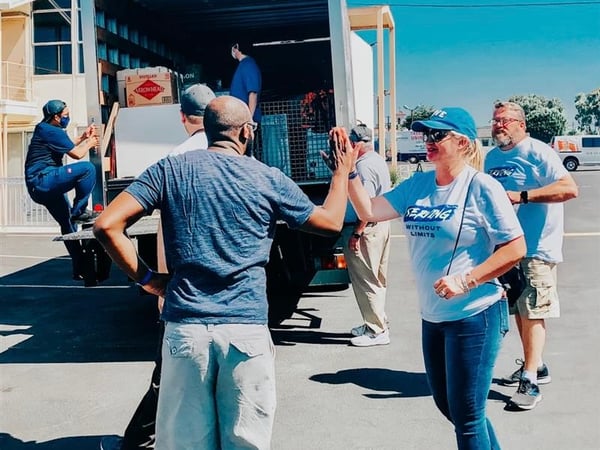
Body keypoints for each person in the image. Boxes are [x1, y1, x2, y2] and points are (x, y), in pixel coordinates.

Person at [93, 95, 355, 449]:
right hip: (244, 328)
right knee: (244, 442)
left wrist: (150, 280)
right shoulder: (267, 178)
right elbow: (330, 222)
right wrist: (341, 175)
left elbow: (107, 225)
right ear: (246, 131)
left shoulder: (170, 170)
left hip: (185, 328)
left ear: (206, 129)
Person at [347, 107, 526, 449]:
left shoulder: (481, 186)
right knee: (451, 408)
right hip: (433, 315)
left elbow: (515, 247)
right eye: (425, 135)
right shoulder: (417, 185)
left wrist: (466, 280)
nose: (428, 141)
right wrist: (348, 172)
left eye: (437, 135)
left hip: (475, 313)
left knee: (468, 418)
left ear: (462, 142)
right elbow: (369, 211)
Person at [99, 83, 216, 450]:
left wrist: (156, 283)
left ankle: (139, 441)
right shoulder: (237, 156)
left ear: (183, 118)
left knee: (170, 371)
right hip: (233, 293)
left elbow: (158, 230)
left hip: (186, 287)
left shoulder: (175, 160)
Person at [484, 101, 578, 410]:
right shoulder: (492, 157)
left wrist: (523, 196)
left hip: (537, 248)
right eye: (496, 120)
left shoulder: (539, 152)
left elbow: (569, 188)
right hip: (508, 249)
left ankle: (530, 381)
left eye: (505, 121)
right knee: (521, 312)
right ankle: (535, 364)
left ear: (521, 124)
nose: (499, 125)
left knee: (534, 310)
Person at [24, 99, 99, 280]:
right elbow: (76, 153)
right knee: (88, 168)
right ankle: (79, 210)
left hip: (39, 187)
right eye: (66, 115)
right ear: (56, 117)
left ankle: (79, 268)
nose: (68, 117)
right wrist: (90, 143)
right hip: (43, 180)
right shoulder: (50, 130)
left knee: (68, 224)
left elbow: (67, 144)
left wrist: (82, 138)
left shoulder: (46, 128)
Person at [343, 123, 392, 347]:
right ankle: (376, 321)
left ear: (358, 144)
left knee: (366, 279)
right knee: (377, 278)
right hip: (382, 225)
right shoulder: (377, 159)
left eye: (351, 143)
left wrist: (357, 233)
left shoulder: (362, 167)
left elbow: (367, 205)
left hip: (369, 228)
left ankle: (376, 331)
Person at [230, 42, 262, 124]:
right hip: (241, 120)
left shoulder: (248, 65)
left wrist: (249, 121)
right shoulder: (244, 65)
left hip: (245, 121)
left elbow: (253, 93)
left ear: (236, 47)